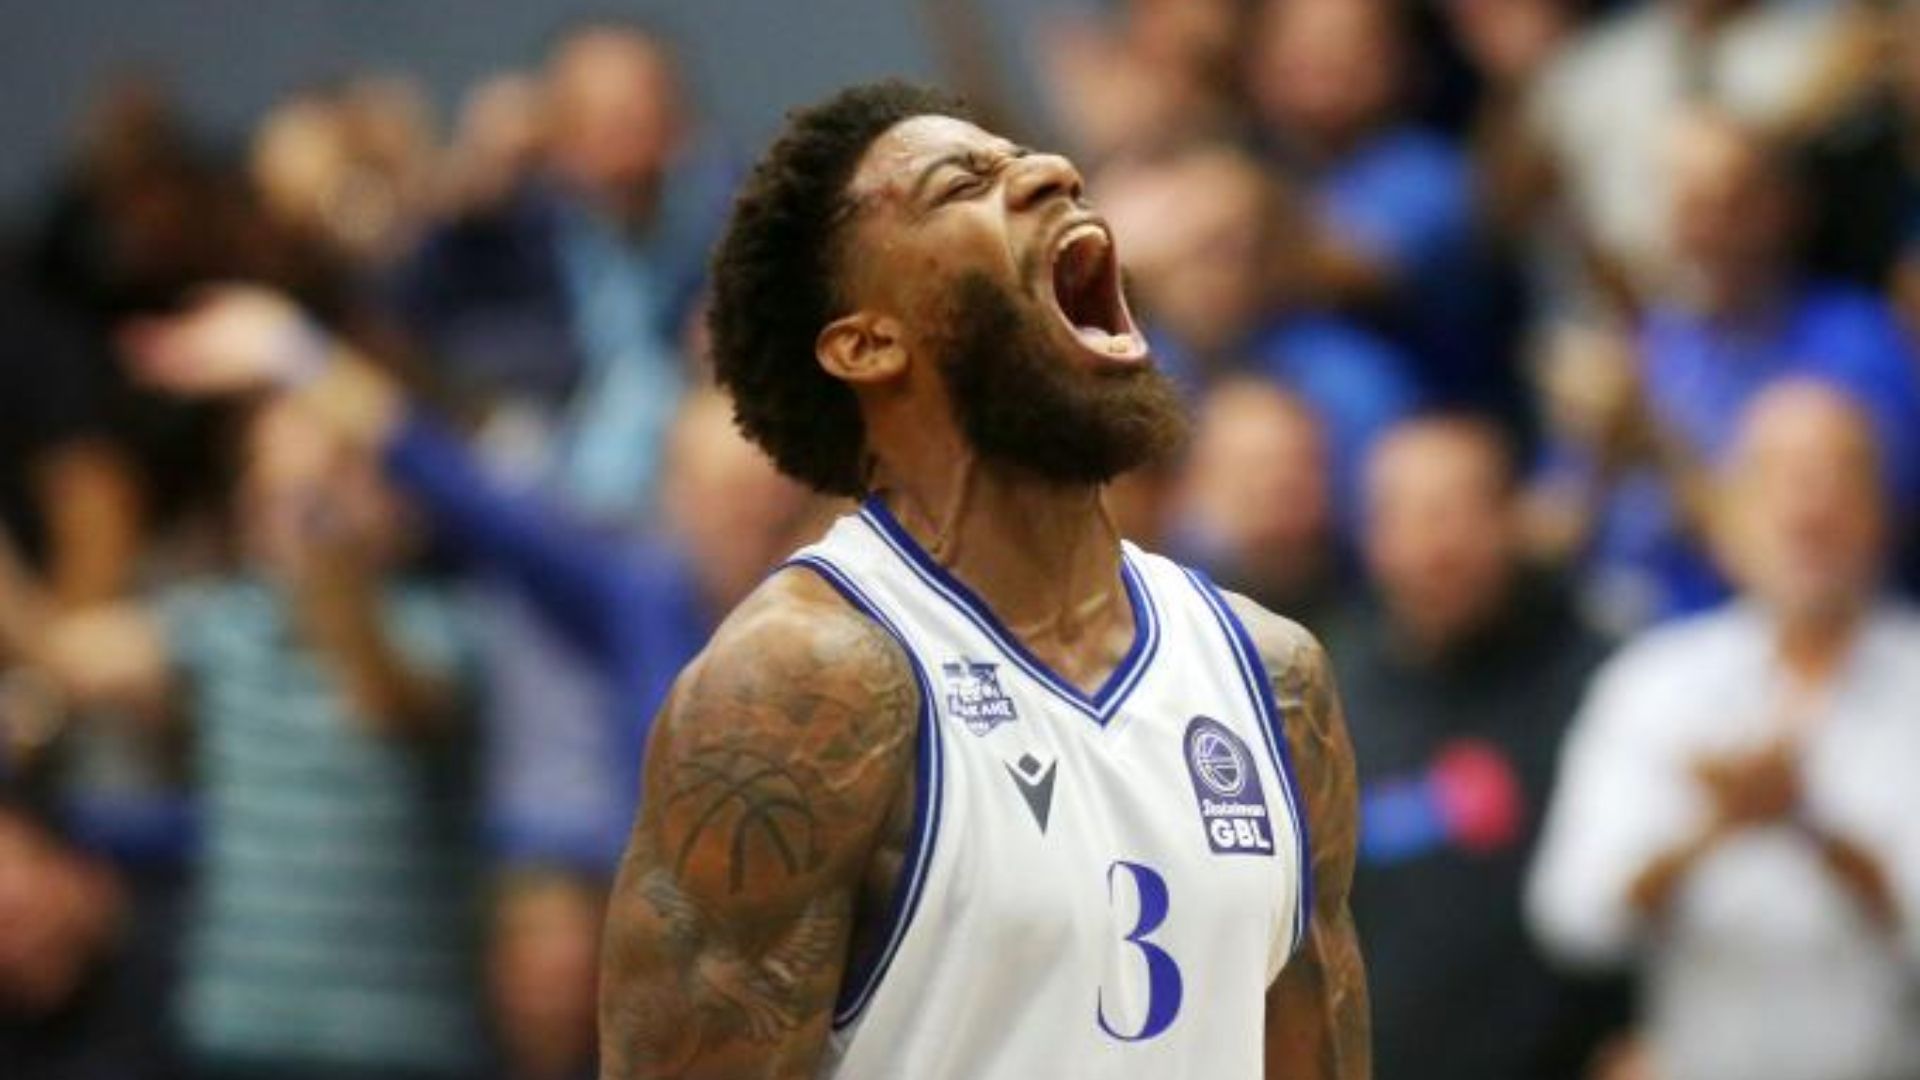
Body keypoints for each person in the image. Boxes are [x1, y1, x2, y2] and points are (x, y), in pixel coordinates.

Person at [131, 80, 1369, 1079]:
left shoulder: (1272, 677)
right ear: (866, 342)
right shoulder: (802, 685)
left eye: (1031, 159)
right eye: (960, 185)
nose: (1052, 171)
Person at [1529, 380, 1920, 1080]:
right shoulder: (1654, 683)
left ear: (1883, 515)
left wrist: (1812, 827)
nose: (1809, 511)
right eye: (1778, 482)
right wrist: (1709, 831)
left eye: (1839, 480)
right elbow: (1573, 916)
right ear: (1726, 519)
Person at [1331, 415, 1627, 1080]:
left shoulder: (1604, 684)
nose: (1436, 548)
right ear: (1372, 539)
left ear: (1516, 521)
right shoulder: (1328, 696)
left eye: (1458, 513)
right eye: (1408, 518)